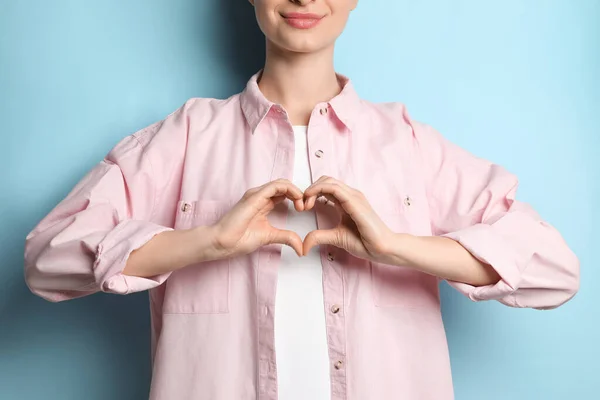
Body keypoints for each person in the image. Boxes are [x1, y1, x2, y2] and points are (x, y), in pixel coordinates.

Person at [23, 0, 580, 399]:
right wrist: (203, 243)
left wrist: (398, 247)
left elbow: (555, 271)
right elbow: (46, 260)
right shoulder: (188, 137)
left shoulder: (407, 144)